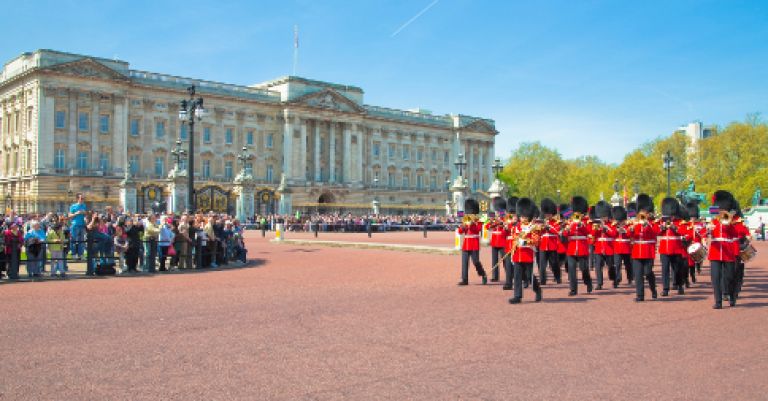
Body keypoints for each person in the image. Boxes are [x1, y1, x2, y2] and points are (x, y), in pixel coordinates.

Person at [708, 190, 739, 309]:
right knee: (715, 277)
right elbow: (706, 233)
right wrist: (709, 230)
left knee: (729, 277)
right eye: (720, 209)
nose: (721, 211)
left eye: (723, 209)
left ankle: (731, 295)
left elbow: (735, 236)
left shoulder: (732, 222)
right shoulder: (713, 221)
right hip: (715, 253)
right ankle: (718, 301)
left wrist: (729, 223)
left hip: (728, 252)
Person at [508, 198, 542, 304]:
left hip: (528, 255)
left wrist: (525, 242)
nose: (523, 218)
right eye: (522, 216)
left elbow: (536, 241)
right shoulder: (515, 227)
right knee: (517, 276)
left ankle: (537, 290)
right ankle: (517, 296)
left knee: (529, 276)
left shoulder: (533, 228)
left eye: (525, 216)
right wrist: (514, 244)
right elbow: (513, 238)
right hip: (517, 255)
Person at [629, 194, 660, 302]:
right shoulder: (635, 222)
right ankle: (640, 295)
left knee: (648, 272)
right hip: (637, 251)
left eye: (644, 211)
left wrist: (648, 225)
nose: (643, 213)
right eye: (641, 211)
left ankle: (653, 289)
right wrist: (632, 229)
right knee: (638, 274)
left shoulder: (653, 222)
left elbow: (657, 232)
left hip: (648, 250)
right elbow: (630, 235)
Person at [561, 196, 593, 296]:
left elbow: (589, 231)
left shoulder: (587, 221)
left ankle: (588, 282)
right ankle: (573, 290)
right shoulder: (570, 220)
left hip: (582, 248)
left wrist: (581, 225)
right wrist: (566, 230)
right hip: (571, 248)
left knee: (584, 269)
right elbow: (565, 235)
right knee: (571, 269)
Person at [658, 198, 685, 296]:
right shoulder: (662, 221)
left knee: (677, 269)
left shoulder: (680, 222)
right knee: (665, 269)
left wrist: (674, 228)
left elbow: (683, 232)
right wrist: (662, 228)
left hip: (676, 248)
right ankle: (665, 289)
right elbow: (657, 232)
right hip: (664, 249)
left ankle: (680, 285)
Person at [456, 199, 487, 286]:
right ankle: (464, 279)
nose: (470, 214)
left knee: (476, 262)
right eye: (469, 213)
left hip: (474, 243)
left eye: (471, 213)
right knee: (464, 262)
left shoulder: (479, 220)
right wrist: (464, 226)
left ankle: (483, 274)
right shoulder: (465, 219)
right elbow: (460, 232)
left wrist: (472, 224)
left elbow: (478, 230)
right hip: (466, 244)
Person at [592, 201, 617, 290]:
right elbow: (593, 235)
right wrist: (597, 229)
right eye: (601, 216)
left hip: (609, 248)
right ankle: (599, 283)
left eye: (604, 216)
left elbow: (614, 234)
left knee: (610, 266)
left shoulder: (612, 224)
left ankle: (614, 279)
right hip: (599, 248)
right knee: (598, 266)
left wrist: (606, 228)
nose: (603, 218)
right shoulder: (596, 224)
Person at [538, 198, 561, 285]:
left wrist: (549, 227)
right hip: (543, 245)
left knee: (554, 263)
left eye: (549, 214)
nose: (547, 216)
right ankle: (543, 280)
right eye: (546, 214)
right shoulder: (541, 222)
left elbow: (557, 231)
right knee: (542, 264)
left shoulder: (556, 222)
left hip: (552, 245)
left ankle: (557, 277)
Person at [68, 193, 88, 260]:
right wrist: (76, 213)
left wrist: (85, 213)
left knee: (81, 241)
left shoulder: (84, 206)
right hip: (75, 225)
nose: (83, 199)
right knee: (73, 240)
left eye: (83, 198)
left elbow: (86, 215)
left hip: (82, 225)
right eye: (81, 198)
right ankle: (74, 254)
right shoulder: (73, 206)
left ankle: (81, 254)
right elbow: (69, 216)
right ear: (77, 199)